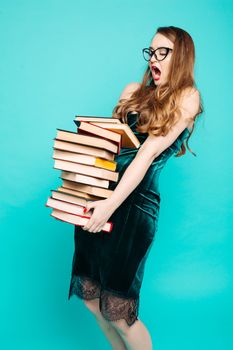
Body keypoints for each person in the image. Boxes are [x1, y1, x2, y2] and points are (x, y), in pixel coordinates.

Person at [68, 25, 203, 350]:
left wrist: (109, 205)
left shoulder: (187, 96)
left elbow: (147, 152)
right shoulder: (132, 91)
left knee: (117, 310)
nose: (153, 58)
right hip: (99, 197)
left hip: (134, 210)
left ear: (180, 56)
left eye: (163, 52)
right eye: (151, 52)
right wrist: (79, 176)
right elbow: (108, 150)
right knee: (91, 300)